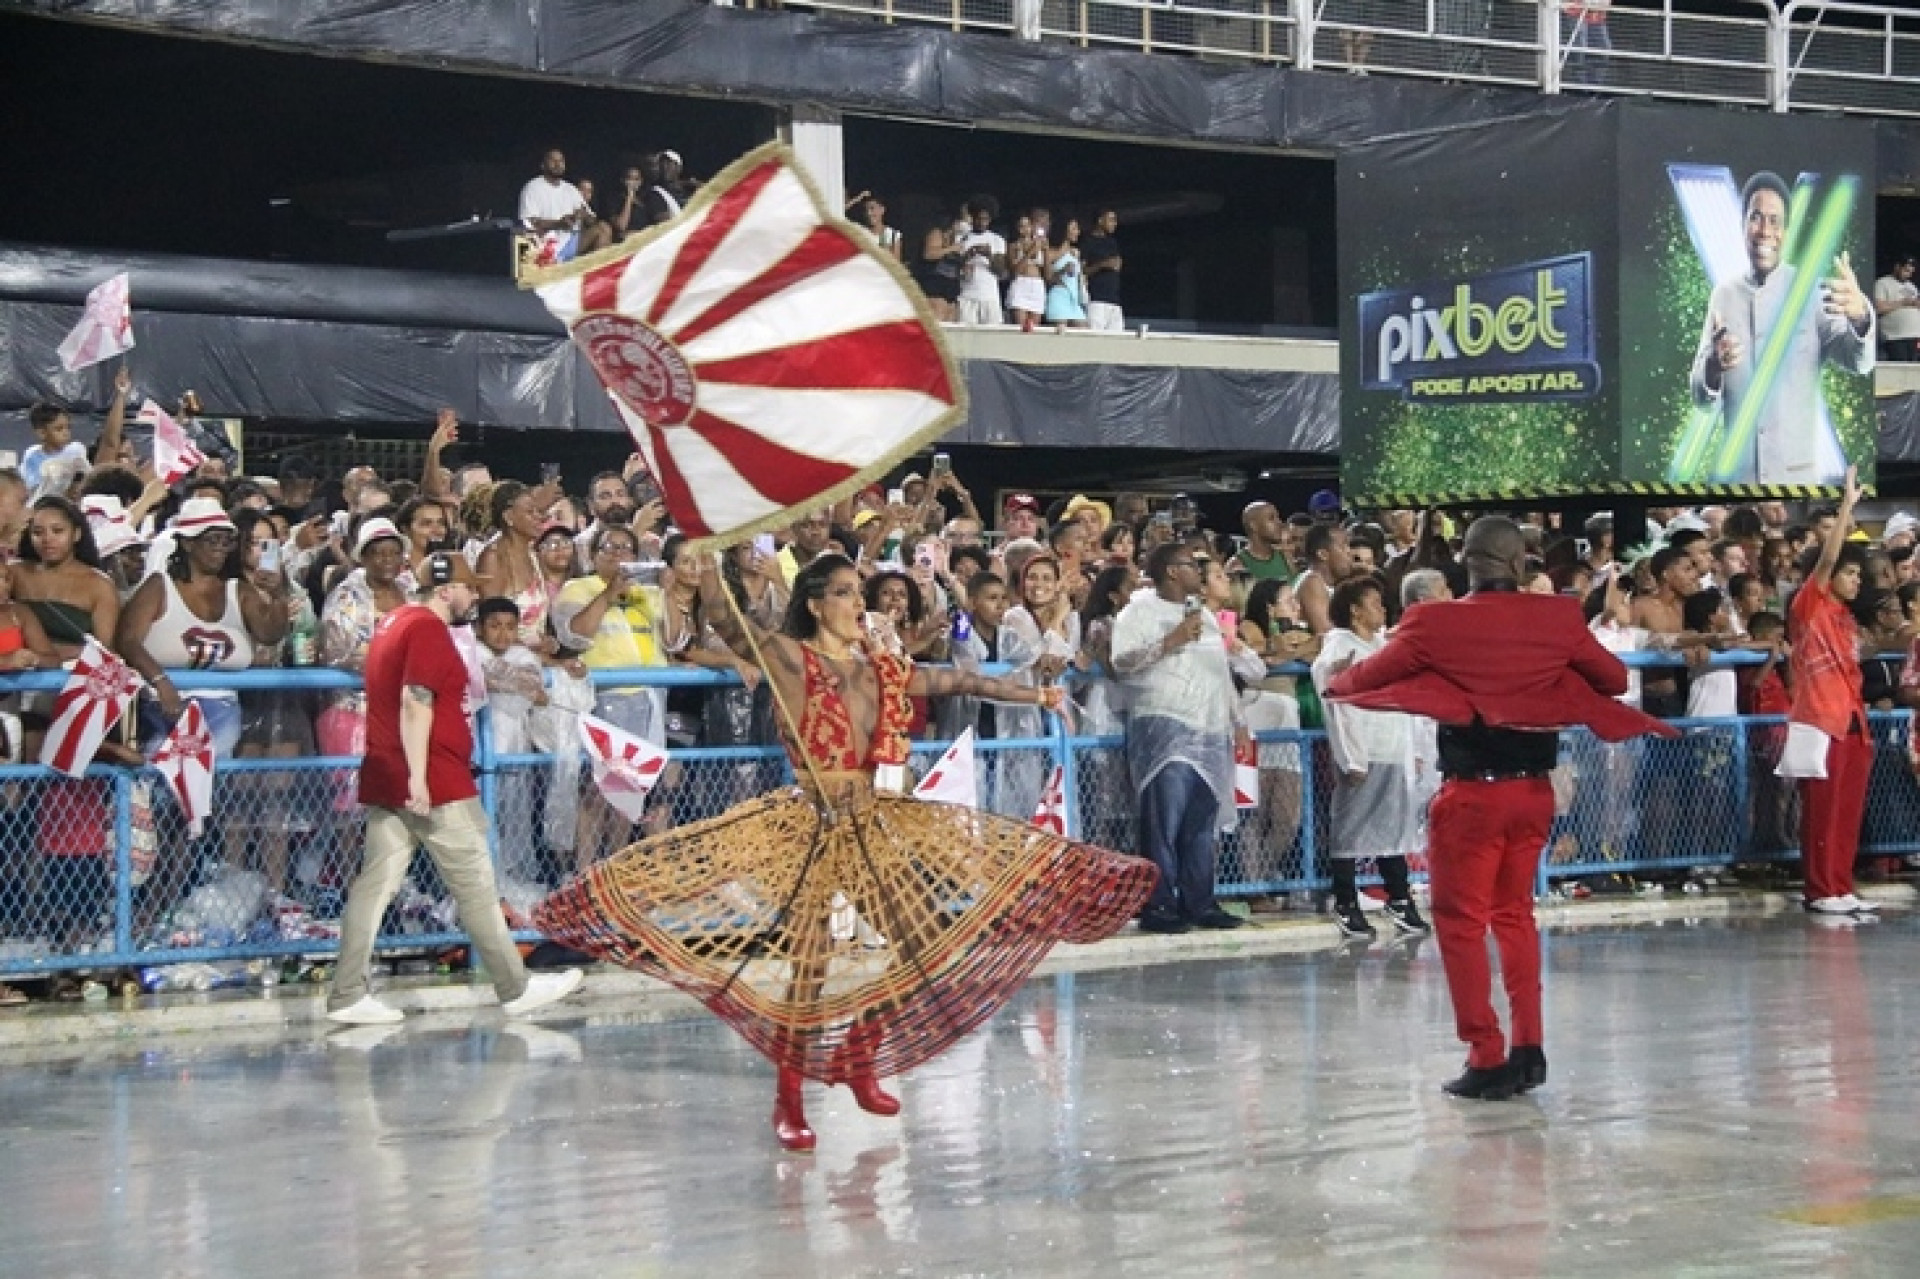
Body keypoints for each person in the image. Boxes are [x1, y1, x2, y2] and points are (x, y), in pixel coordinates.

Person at [534, 552, 1155, 1151]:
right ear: (814, 603)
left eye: (859, 593)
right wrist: (707, 554)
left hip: (875, 822)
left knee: (920, 948)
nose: (858, 603)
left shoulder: (880, 667)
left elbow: (959, 678)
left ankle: (858, 1051)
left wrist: (1037, 696)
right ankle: (790, 1102)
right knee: (808, 972)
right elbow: (725, 619)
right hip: (810, 824)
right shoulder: (789, 659)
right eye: (844, 593)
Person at [1326, 516, 1673, 1101]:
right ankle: (1530, 1047)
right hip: (1534, 791)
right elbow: (1612, 679)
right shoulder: (1558, 617)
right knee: (1514, 916)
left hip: (1471, 796)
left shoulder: (1434, 622)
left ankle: (1486, 1055)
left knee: (1462, 923)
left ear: (1466, 561)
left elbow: (1360, 679)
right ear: (1520, 563)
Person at [328, 554, 584, 1026]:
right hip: (433, 780)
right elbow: (415, 701)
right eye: (470, 588)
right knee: (476, 886)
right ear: (446, 590)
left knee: (375, 886)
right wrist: (420, 779)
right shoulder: (425, 628)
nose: (476, 596)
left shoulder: (392, 623)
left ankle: (346, 993)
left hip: (391, 772)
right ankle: (516, 985)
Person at [1690, 173, 1873, 486]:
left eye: (1775, 221)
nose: (1765, 231)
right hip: (1738, 481)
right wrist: (1712, 367)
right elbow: (1701, 399)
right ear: (1743, 224)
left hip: (1795, 479)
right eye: (1756, 218)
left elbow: (1859, 363)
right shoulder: (1724, 294)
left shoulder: (1811, 292)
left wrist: (1861, 318)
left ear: (1786, 231)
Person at [1110, 543, 1253, 934]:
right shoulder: (1137, 611)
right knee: (1163, 821)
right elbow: (1122, 663)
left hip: (1209, 730)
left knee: (1200, 822)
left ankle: (1200, 902)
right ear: (1172, 571)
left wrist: (1237, 721)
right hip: (1164, 728)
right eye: (1193, 565)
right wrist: (1171, 640)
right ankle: (1159, 905)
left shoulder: (1203, 615)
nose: (1199, 572)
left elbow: (1221, 672)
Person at [1311, 578, 1430, 940]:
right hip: (1364, 752)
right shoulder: (1338, 648)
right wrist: (1351, 758)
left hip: (1392, 748)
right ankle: (1346, 902)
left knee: (1391, 829)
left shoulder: (1381, 646)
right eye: (1375, 603)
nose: (1382, 609)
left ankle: (1399, 898)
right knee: (1351, 828)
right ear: (1355, 610)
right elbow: (1336, 703)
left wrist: (1414, 749)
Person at [1780, 466, 1876, 916]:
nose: (1856, 580)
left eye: (1859, 574)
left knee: (1847, 811)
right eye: (1849, 572)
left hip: (1854, 719)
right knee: (1823, 810)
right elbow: (1825, 559)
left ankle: (1841, 882)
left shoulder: (1845, 616)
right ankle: (1820, 889)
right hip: (1821, 720)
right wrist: (1845, 511)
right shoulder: (1809, 605)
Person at [955, 195, 1008, 327]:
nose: (982, 222)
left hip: (989, 297)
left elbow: (1000, 271)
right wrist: (969, 254)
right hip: (967, 296)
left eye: (985, 219)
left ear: (990, 219)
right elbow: (955, 267)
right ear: (972, 217)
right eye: (978, 218)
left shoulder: (997, 240)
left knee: (992, 338)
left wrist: (989, 255)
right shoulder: (961, 239)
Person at [1082, 210, 1124, 332]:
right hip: (1097, 300)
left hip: (1114, 301)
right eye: (1111, 220)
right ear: (1100, 220)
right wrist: (1102, 265)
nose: (1114, 223)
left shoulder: (1112, 242)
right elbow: (1082, 270)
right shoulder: (1088, 242)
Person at [1874, 254, 1920, 362]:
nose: (1908, 274)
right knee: (1900, 370)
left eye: (1911, 272)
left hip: (1914, 335)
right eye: (1906, 271)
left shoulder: (1911, 286)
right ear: (1897, 267)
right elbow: (1879, 308)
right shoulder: (1882, 283)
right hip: (1895, 337)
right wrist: (1903, 302)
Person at [1044, 219, 1088, 329]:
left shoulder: (1075, 253)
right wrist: (1063, 270)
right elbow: (1048, 277)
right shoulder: (1051, 252)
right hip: (1059, 297)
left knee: (1083, 333)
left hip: (1074, 299)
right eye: (1074, 228)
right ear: (1064, 230)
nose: (1077, 232)